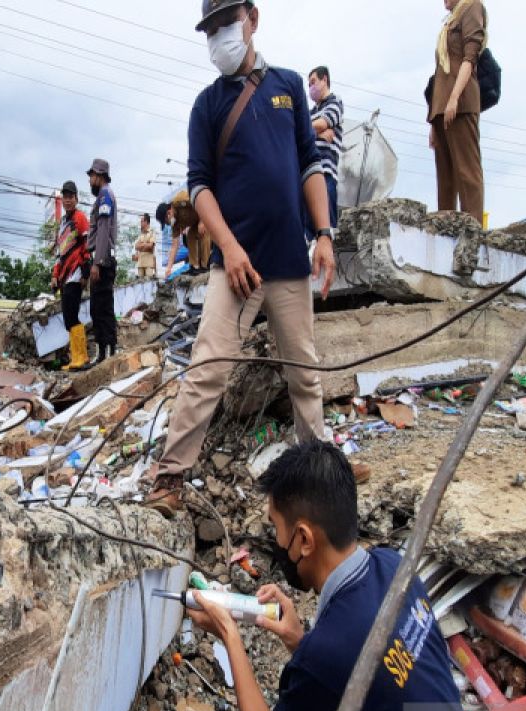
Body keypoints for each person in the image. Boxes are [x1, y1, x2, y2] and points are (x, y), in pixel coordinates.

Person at [145, 0, 368, 518]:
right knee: (207, 368)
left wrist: (325, 235)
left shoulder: (289, 87)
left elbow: (310, 166)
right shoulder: (207, 106)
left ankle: (322, 475)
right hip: (237, 268)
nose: (219, 36)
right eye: (211, 29)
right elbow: (199, 186)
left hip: (290, 261)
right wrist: (229, 245)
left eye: (227, 23)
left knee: (304, 373)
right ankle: (170, 475)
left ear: (252, 18)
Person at [185, 440, 492, 711]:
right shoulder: (394, 568)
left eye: (276, 528)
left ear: (303, 539)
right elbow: (370, 678)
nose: (275, 539)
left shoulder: (326, 657)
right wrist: (300, 641)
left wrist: (230, 637)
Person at [428, 0, 487, 224]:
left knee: (467, 174)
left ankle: (474, 232)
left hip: (461, 102)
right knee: (445, 179)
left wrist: (454, 97)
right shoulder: (448, 21)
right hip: (440, 107)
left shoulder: (472, 7)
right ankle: (446, 233)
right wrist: (433, 118)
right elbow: (439, 72)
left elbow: (469, 57)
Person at [52, 180, 92, 371]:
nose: (67, 200)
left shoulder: (80, 218)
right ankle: (75, 358)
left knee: (72, 313)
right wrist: (55, 275)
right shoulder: (62, 224)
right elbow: (59, 253)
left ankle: (82, 358)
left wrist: (86, 268)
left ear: (76, 199)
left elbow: (87, 245)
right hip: (64, 276)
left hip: (76, 273)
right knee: (68, 316)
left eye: (70, 197)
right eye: (65, 197)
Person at [86, 158, 119, 365]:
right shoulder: (104, 196)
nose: (90, 181)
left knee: (101, 308)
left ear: (99, 176)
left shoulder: (105, 195)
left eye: (92, 177)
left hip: (103, 260)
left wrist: (97, 262)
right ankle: (106, 351)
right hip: (103, 258)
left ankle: (106, 354)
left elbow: (104, 229)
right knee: (101, 306)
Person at [308, 66, 344, 228]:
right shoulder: (310, 112)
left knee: (326, 226)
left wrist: (313, 129)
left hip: (326, 173)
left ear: (325, 80)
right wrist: (319, 132)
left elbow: (322, 123)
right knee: (307, 226)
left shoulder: (335, 102)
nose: (311, 88)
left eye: (313, 82)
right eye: (309, 85)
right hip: (308, 175)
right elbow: (298, 132)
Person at [132, 213, 158, 281]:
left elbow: (150, 246)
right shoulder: (140, 234)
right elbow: (136, 246)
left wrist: (141, 245)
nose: (140, 223)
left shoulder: (152, 233)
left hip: (149, 263)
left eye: (142, 221)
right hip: (140, 263)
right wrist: (145, 244)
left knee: (148, 283)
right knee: (139, 285)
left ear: (146, 222)